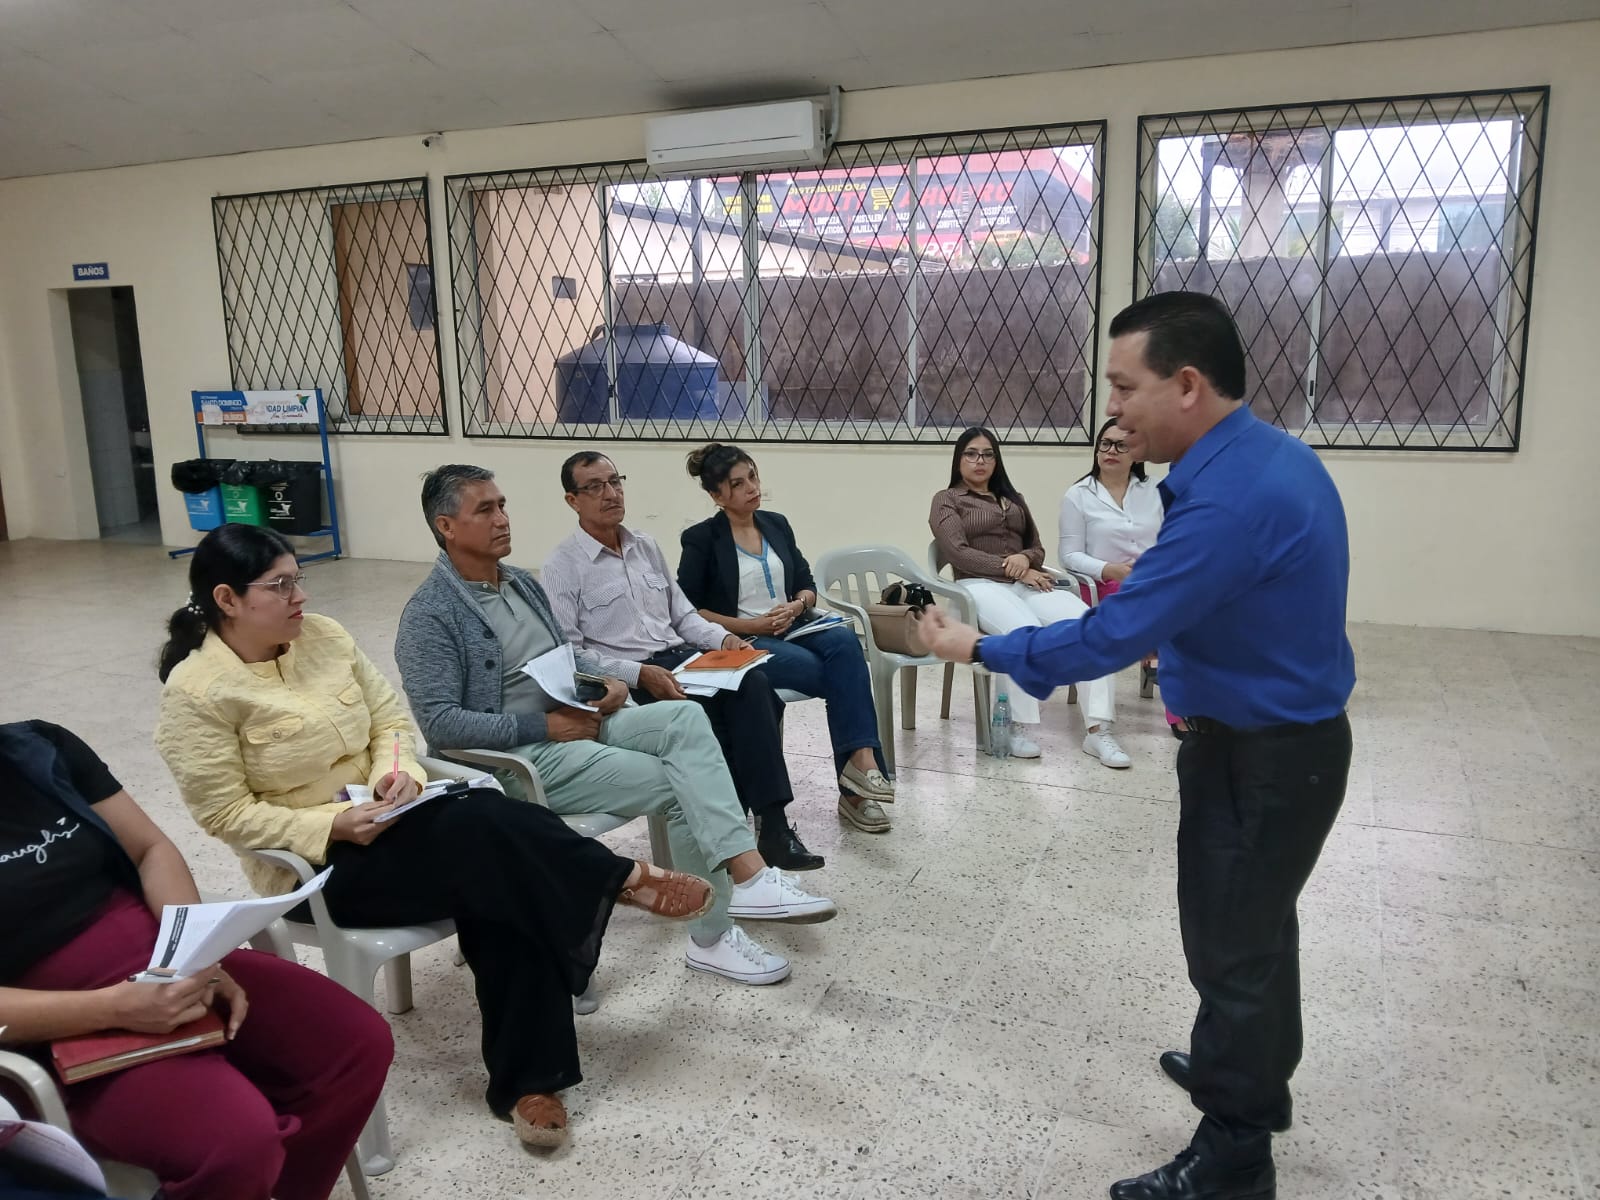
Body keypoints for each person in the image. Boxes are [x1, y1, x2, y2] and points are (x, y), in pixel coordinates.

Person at [915, 291, 1356, 1200]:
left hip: (1263, 756)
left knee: (1234, 948)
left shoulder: (1230, 499)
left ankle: (1236, 1153)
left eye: (1123, 387)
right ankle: (1239, 1065)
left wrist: (978, 648)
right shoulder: (1269, 457)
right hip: (1275, 743)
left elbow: (1113, 634)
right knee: (1254, 934)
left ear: (1187, 384)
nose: (1111, 411)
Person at [153, 524, 716, 1150]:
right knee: (495, 840)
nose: (299, 596)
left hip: (396, 820)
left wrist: (396, 772)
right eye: (280, 585)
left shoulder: (325, 638)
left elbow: (390, 723)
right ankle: (612, 882)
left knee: (497, 854)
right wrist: (331, 824)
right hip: (317, 869)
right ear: (227, 599)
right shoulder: (197, 692)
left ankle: (531, 1082)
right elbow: (225, 813)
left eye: (298, 579)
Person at [395, 465, 835, 989]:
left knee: (685, 716)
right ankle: (716, 933)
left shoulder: (520, 584)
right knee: (682, 783)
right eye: (485, 510)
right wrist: (545, 725)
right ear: (446, 526)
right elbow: (441, 724)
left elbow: (566, 655)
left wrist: (610, 682)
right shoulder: (430, 615)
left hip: (579, 719)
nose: (503, 519)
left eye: (503, 505)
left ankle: (750, 877)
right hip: (522, 758)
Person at [0, 718, 393, 1200]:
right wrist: (114, 1009)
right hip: (59, 1019)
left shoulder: (39, 749)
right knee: (236, 1146)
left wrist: (193, 952)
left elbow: (149, 850)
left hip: (164, 960)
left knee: (356, 1045)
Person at [541, 451, 825, 872]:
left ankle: (773, 828)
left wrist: (726, 639)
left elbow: (684, 616)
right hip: (631, 678)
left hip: (682, 659)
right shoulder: (562, 567)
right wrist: (640, 674)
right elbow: (571, 654)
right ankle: (726, 839)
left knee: (754, 685)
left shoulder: (645, 546)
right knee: (714, 714)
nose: (610, 494)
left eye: (615, 482)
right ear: (572, 500)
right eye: (595, 487)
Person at [677, 442, 894, 835]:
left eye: (753, 477)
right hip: (744, 640)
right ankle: (856, 791)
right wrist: (752, 626)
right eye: (738, 484)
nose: (752, 488)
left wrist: (796, 606)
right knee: (836, 673)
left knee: (846, 644)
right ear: (716, 495)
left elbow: (807, 585)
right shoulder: (701, 538)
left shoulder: (775, 524)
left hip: (795, 626)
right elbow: (689, 610)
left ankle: (861, 762)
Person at [929, 425, 1131, 768]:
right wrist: (1014, 568)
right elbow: (958, 553)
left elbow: (1036, 547)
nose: (980, 461)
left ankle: (1098, 731)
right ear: (959, 460)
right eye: (971, 454)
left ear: (996, 460)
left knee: (1090, 625)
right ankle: (1013, 726)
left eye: (988, 454)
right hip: (976, 586)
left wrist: (1025, 560)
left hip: (1026, 582)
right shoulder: (947, 500)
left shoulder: (1013, 498)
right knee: (1022, 631)